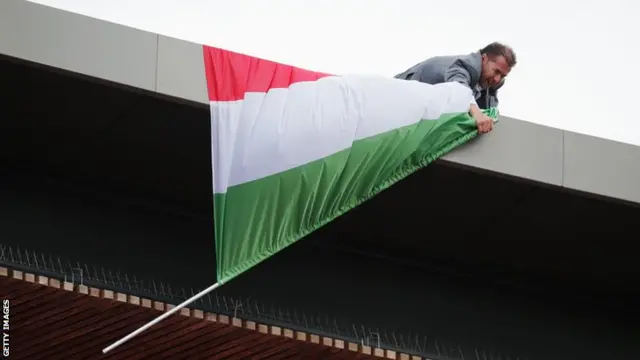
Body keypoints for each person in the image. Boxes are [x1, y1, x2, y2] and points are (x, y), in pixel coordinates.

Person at [395, 42, 516, 134]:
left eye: (503, 76)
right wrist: (477, 113)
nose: (497, 79)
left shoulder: (488, 83)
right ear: (483, 59)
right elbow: (458, 86)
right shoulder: (467, 66)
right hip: (399, 99)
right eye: (496, 71)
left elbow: (489, 113)